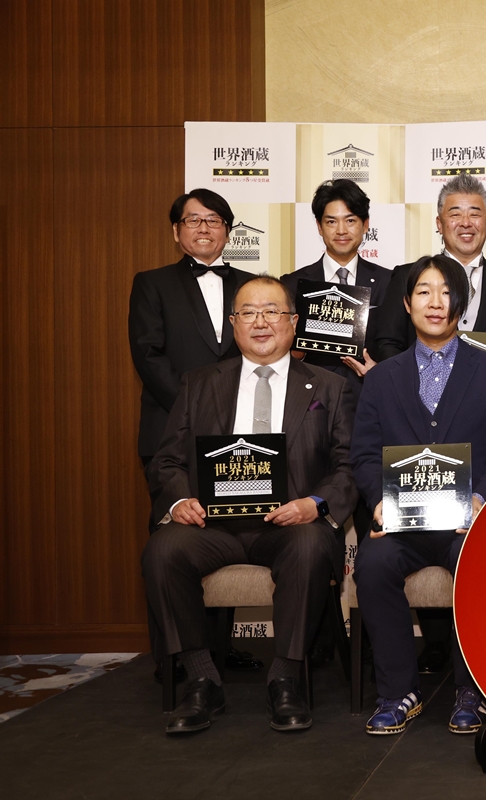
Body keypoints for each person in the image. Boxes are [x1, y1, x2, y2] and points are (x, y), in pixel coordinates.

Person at [141, 276, 357, 735]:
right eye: (248, 313)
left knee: (309, 546)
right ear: (233, 323)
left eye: (272, 311)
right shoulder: (199, 383)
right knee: (163, 550)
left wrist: (314, 503)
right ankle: (202, 678)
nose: (261, 322)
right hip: (213, 527)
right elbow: (167, 460)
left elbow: (349, 465)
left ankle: (285, 678)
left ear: (293, 322)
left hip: (291, 525)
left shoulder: (329, 387)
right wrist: (179, 500)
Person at [349, 254, 486, 737]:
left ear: (460, 305)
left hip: (465, 522)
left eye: (446, 292)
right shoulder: (382, 377)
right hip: (401, 523)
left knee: (479, 558)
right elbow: (363, 453)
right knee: (373, 564)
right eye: (424, 292)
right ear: (407, 304)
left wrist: (479, 497)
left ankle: (473, 688)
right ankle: (398, 692)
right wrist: (378, 500)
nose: (435, 302)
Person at [129, 188, 261, 677]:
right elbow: (148, 356)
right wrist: (197, 412)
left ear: (227, 230)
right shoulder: (152, 284)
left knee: (227, 530)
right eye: (193, 220)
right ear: (176, 231)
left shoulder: (251, 287)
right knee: (171, 545)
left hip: (237, 439)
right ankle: (174, 658)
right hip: (170, 434)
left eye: (214, 220)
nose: (204, 228)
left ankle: (219, 651)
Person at [374, 174, 486, 394]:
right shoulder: (406, 276)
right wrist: (415, 391)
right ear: (439, 224)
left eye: (475, 214)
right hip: (416, 402)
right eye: (455, 214)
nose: (466, 223)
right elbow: (388, 343)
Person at [281, 178, 392, 397]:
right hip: (310, 398)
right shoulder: (291, 284)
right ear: (319, 226)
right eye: (331, 221)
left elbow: (398, 348)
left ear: (365, 224)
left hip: (369, 397)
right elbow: (279, 354)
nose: (341, 230)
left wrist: (379, 372)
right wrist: (297, 353)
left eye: (350, 220)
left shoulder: (389, 282)